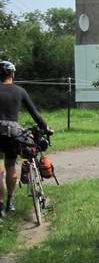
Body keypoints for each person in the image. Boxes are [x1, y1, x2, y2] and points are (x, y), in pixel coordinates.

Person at [0, 60, 51, 218]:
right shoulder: (20, 91)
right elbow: (35, 114)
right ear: (12, 74)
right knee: (10, 166)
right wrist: (45, 128)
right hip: (12, 133)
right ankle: (10, 201)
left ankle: (0, 206)